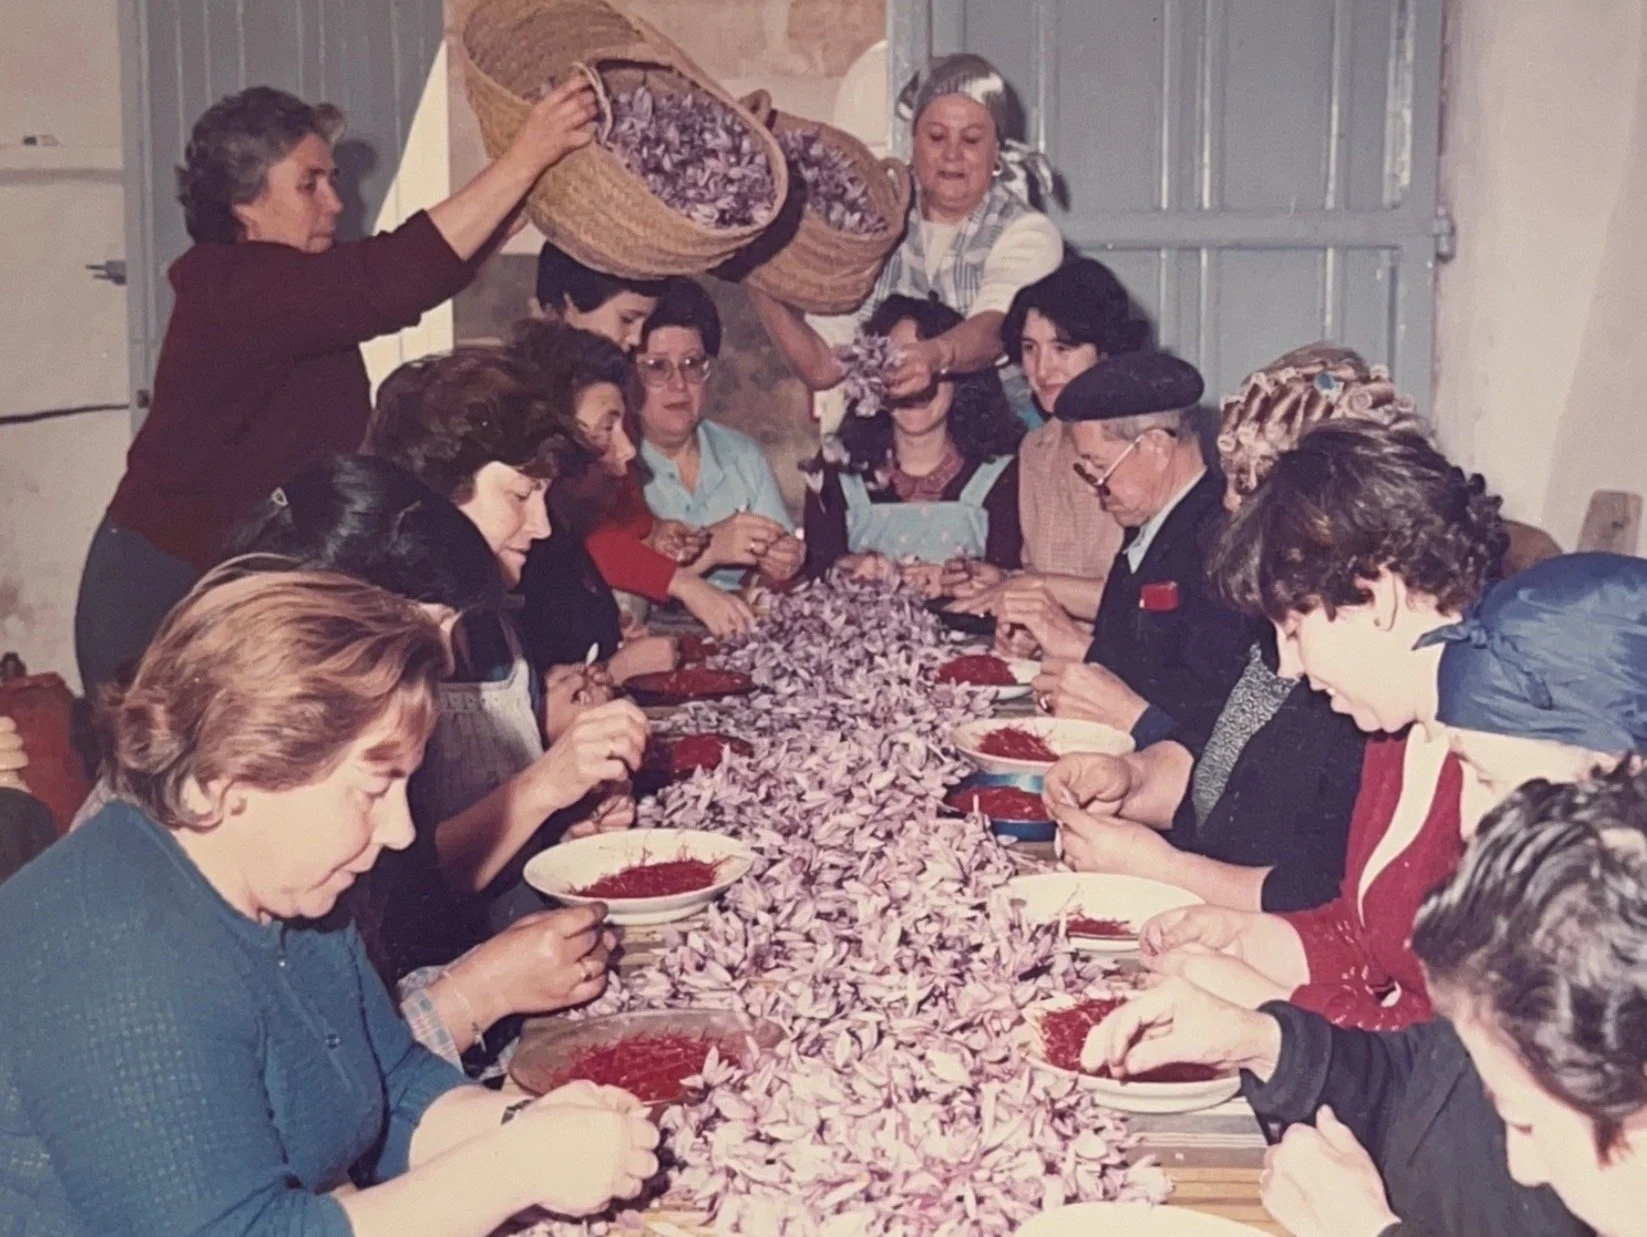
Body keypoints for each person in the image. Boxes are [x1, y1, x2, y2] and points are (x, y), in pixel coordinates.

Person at [0, 568, 659, 1236]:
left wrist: (530, 1127)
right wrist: (511, 1167)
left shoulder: (297, 885)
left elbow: (393, 1086)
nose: (400, 829)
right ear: (234, 777)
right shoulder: (116, 960)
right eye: (374, 787)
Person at [1080, 551, 1647, 1237]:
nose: (1468, 821)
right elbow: (1429, 1085)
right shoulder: (1552, 929)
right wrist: (1262, 1039)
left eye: (1488, 779)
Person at [74, 79, 599, 694]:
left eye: (332, 180)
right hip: (159, 593)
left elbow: (390, 286)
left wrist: (500, 218)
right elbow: (382, 283)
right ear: (244, 203)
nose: (335, 203)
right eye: (309, 184)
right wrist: (524, 156)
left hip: (222, 581)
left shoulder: (280, 287)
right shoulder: (234, 286)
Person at [1139, 421, 1507, 1029]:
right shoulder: (1394, 733)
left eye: (1294, 626)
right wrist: (1248, 938)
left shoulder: (1500, 769)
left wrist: (1269, 1007)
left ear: (1375, 594)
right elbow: (1366, 942)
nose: (1289, 665)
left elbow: (1451, 1058)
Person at [1043, 350, 1402, 912]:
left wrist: (1162, 868)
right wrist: (1132, 779)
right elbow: (1219, 750)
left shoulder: (1373, 691)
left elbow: (1319, 894)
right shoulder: (1283, 618)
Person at [367, 348, 649, 978]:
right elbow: (404, 901)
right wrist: (547, 784)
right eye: (521, 494)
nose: (542, 525)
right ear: (439, 496)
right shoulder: (381, 650)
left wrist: (565, 821)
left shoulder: (495, 624)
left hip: (523, 938)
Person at [748, 53, 1063, 426]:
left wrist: (935, 355)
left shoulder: (1027, 234)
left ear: (997, 151)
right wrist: (756, 275)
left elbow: (996, 329)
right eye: (936, 136)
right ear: (912, 141)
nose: (952, 154)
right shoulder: (872, 221)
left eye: (972, 140)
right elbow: (822, 366)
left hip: (1000, 440)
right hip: (894, 444)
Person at [1016, 352, 1256, 755]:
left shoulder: (1222, 542)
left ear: (1157, 447)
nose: (1096, 489)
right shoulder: (1154, 521)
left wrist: (1080, 646)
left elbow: (1210, 707)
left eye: (1099, 468)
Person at [939, 258, 1140, 606]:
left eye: (1062, 348)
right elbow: (1043, 572)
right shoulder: (1036, 447)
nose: (1043, 369)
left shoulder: (1139, 447)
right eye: (1031, 348)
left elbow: (1136, 600)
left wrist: (1026, 589)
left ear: (1106, 352)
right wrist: (1005, 581)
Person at [802, 295, 1025, 585]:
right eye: (894, 368)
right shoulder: (835, 470)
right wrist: (848, 568)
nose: (912, 388)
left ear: (961, 378)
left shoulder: (1005, 475)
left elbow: (1014, 579)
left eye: (926, 370)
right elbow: (814, 573)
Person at [510, 321, 678, 681]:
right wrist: (617, 670)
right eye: (606, 429)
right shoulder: (522, 559)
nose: (628, 449)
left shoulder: (569, 535)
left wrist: (614, 644)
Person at [631, 280, 804, 592]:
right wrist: (712, 548)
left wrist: (780, 562)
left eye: (692, 364)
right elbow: (623, 586)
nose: (679, 384)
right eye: (657, 367)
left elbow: (775, 575)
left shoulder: (742, 454)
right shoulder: (616, 463)